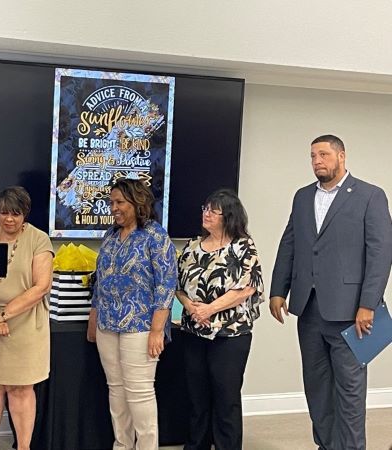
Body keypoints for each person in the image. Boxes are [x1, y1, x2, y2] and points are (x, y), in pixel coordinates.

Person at [270, 134, 392, 450]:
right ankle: (326, 446)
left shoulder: (370, 195)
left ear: (341, 156)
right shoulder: (301, 196)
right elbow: (290, 243)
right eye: (312, 156)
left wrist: (368, 304)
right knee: (317, 388)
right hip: (308, 310)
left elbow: (380, 254)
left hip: (352, 314)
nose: (317, 162)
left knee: (349, 392)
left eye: (323, 154)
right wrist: (277, 290)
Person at [86, 178, 177, 450]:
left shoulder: (155, 236)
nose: (113, 208)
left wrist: (157, 331)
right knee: (116, 390)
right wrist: (94, 318)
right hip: (107, 325)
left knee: (140, 394)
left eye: (119, 203)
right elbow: (100, 281)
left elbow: (166, 285)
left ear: (138, 203)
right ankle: (122, 445)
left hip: (141, 327)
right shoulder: (110, 236)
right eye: (111, 202)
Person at [176, 188, 264, 450]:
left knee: (226, 398)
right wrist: (190, 306)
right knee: (197, 398)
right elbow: (178, 287)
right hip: (194, 332)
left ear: (229, 216)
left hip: (230, 334)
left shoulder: (243, 247)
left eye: (213, 211)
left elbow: (246, 288)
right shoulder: (192, 246)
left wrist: (209, 309)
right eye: (205, 209)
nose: (206, 214)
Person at [0, 186, 54, 450]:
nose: (9, 219)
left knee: (21, 389)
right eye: (4, 213)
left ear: (24, 215)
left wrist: (4, 314)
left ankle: (24, 447)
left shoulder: (38, 240)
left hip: (26, 322)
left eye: (16, 214)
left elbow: (41, 287)